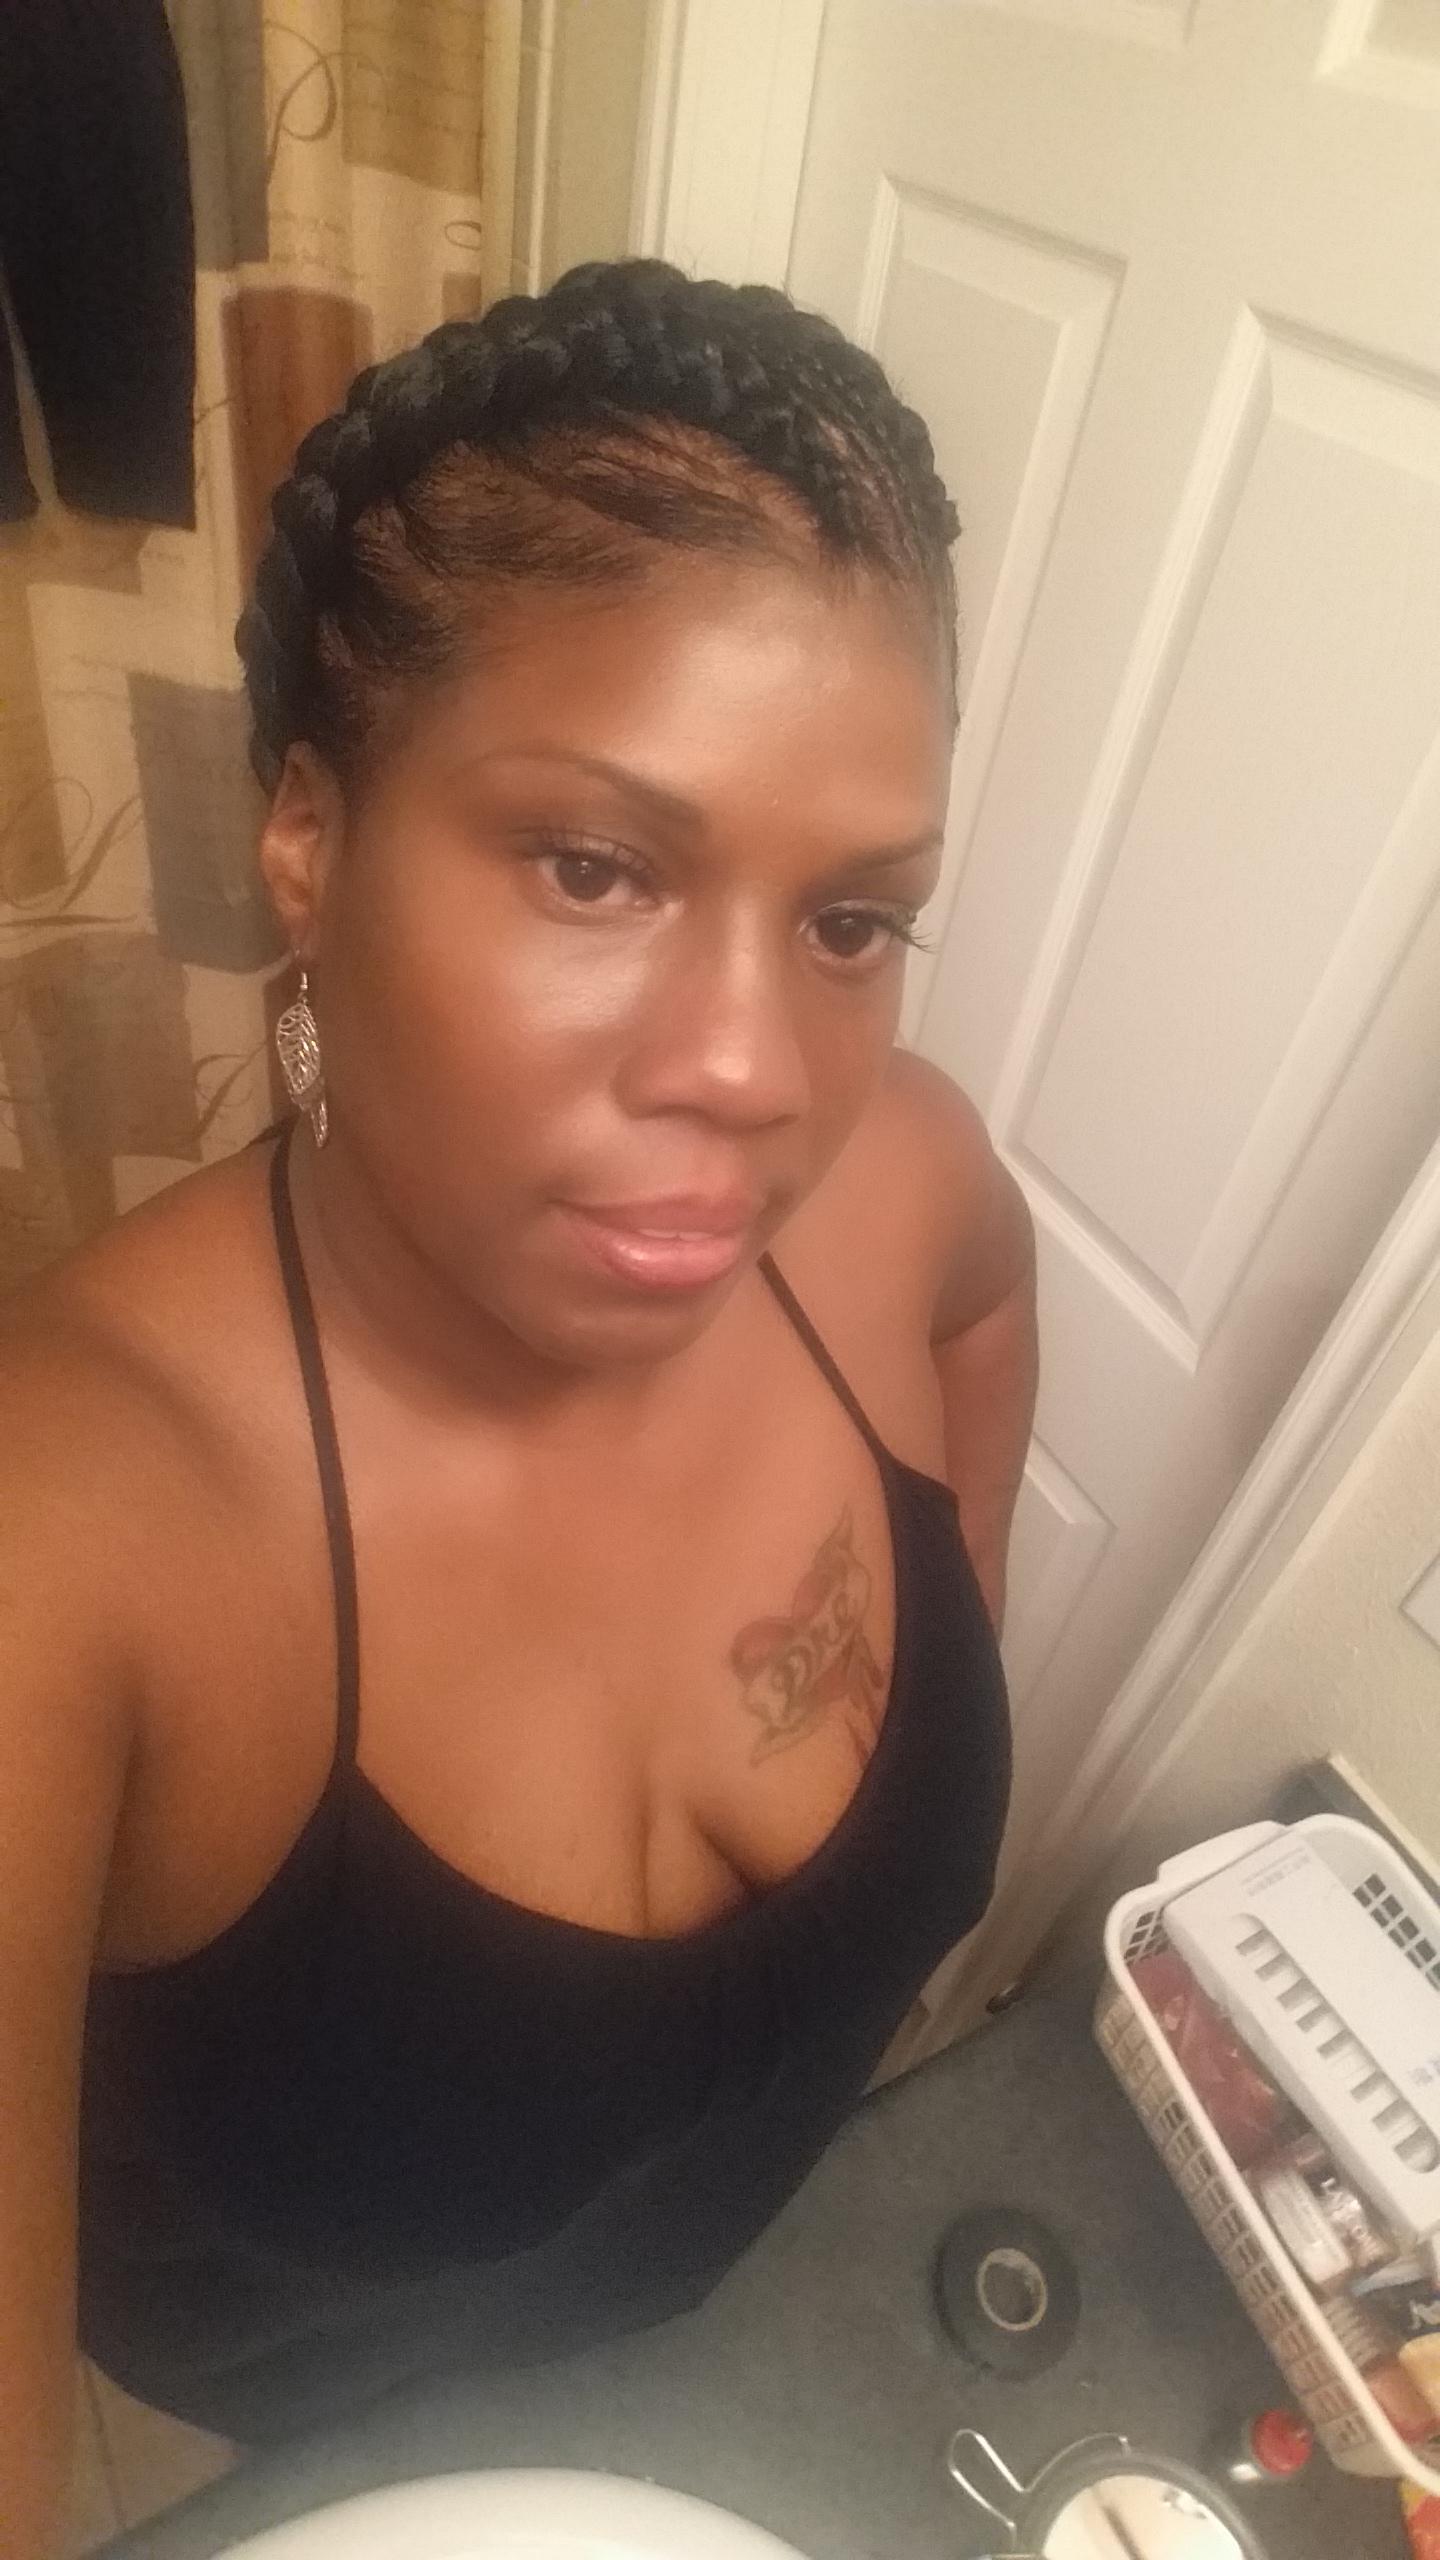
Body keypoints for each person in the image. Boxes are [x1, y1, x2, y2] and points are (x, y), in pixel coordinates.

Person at [0, 260, 1033, 2554]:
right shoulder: (71, 1532)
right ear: (307, 836)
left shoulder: (897, 1185)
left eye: (851, 921)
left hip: (753, 2346)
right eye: (595, 865)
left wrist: (957, 1598)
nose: (754, 1073)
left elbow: (983, 1302)